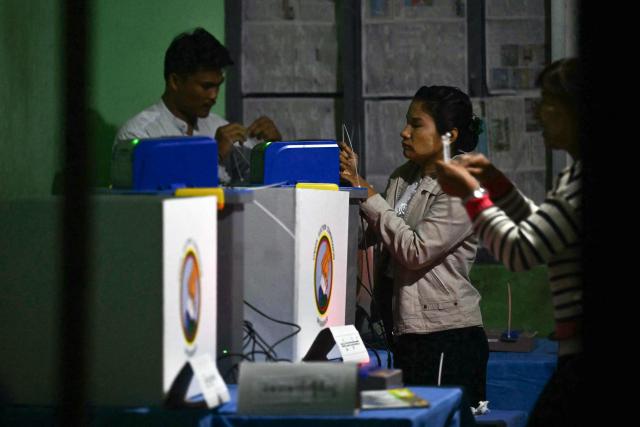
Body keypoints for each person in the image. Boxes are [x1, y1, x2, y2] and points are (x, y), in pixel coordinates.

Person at [435, 58, 583, 426]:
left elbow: (520, 252)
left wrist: (473, 195)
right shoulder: (574, 173)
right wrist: (498, 186)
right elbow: (541, 228)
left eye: (548, 102)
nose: (538, 113)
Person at [340, 85, 488, 406]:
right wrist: (344, 191)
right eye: (407, 123)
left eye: (416, 125)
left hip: (446, 335)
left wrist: (366, 191)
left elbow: (415, 251)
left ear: (449, 135)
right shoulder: (404, 176)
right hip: (405, 330)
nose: (404, 132)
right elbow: (379, 234)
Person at [113, 27, 282, 185]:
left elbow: (259, 185)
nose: (214, 95)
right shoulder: (139, 136)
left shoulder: (219, 127)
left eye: (218, 85)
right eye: (206, 86)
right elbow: (149, 199)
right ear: (175, 82)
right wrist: (212, 157)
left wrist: (272, 150)